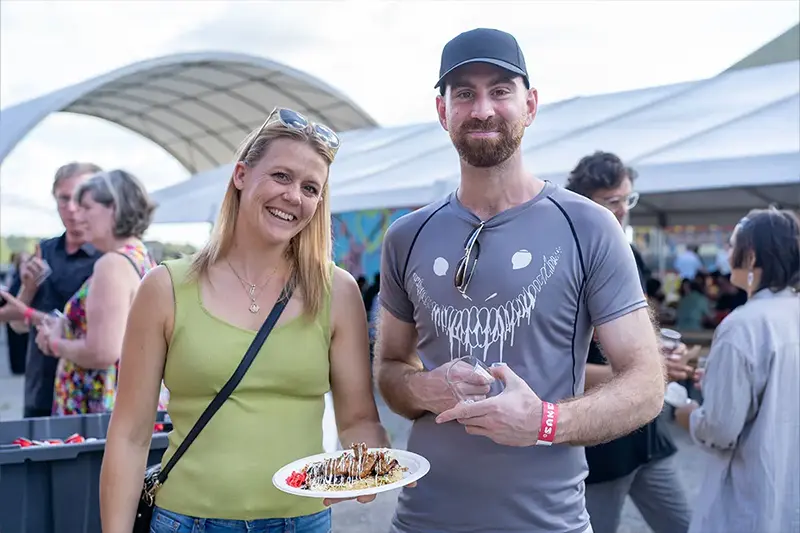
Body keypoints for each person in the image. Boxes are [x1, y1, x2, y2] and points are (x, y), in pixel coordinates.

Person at [375, 28, 665, 533]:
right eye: (463, 93)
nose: (483, 108)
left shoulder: (589, 226)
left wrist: (545, 422)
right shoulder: (406, 236)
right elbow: (390, 373)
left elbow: (646, 383)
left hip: (549, 523)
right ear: (443, 112)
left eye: (500, 90)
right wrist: (425, 386)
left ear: (529, 104)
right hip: (422, 521)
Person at [99, 108, 389, 533]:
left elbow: (358, 418)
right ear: (240, 175)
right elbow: (128, 436)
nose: (294, 196)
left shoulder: (338, 291)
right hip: (186, 522)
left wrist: (369, 468)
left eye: (311, 188)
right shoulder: (164, 289)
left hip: (301, 523)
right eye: (281, 176)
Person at [565, 151, 692, 533]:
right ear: (586, 202)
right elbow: (558, 369)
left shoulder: (629, 251)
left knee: (684, 524)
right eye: (612, 201)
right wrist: (646, 373)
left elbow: (638, 331)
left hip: (649, 437)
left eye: (627, 199)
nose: (622, 210)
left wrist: (663, 353)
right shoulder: (569, 260)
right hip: (603, 441)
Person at [674, 209, 800, 533]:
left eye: (732, 246)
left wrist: (688, 413)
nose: (727, 255)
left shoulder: (742, 326)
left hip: (749, 499)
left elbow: (719, 429)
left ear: (752, 255)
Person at [5, 162, 102, 418]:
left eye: (80, 198)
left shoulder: (112, 258)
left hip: (93, 395)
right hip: (41, 390)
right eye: (64, 198)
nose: (71, 208)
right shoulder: (43, 252)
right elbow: (17, 325)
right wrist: (27, 289)